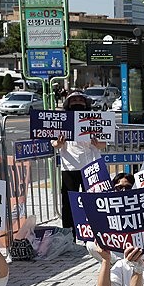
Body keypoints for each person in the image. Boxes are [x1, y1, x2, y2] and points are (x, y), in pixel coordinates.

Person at [54, 92, 105, 230]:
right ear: (68, 104)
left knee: (93, 202)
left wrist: (97, 143)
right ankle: (69, 236)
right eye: (74, 100)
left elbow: (104, 144)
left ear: (86, 104)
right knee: (69, 203)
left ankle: (96, 233)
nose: (77, 102)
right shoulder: (61, 121)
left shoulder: (94, 120)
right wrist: (59, 143)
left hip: (91, 167)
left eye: (80, 100)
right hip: (69, 168)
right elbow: (54, 144)